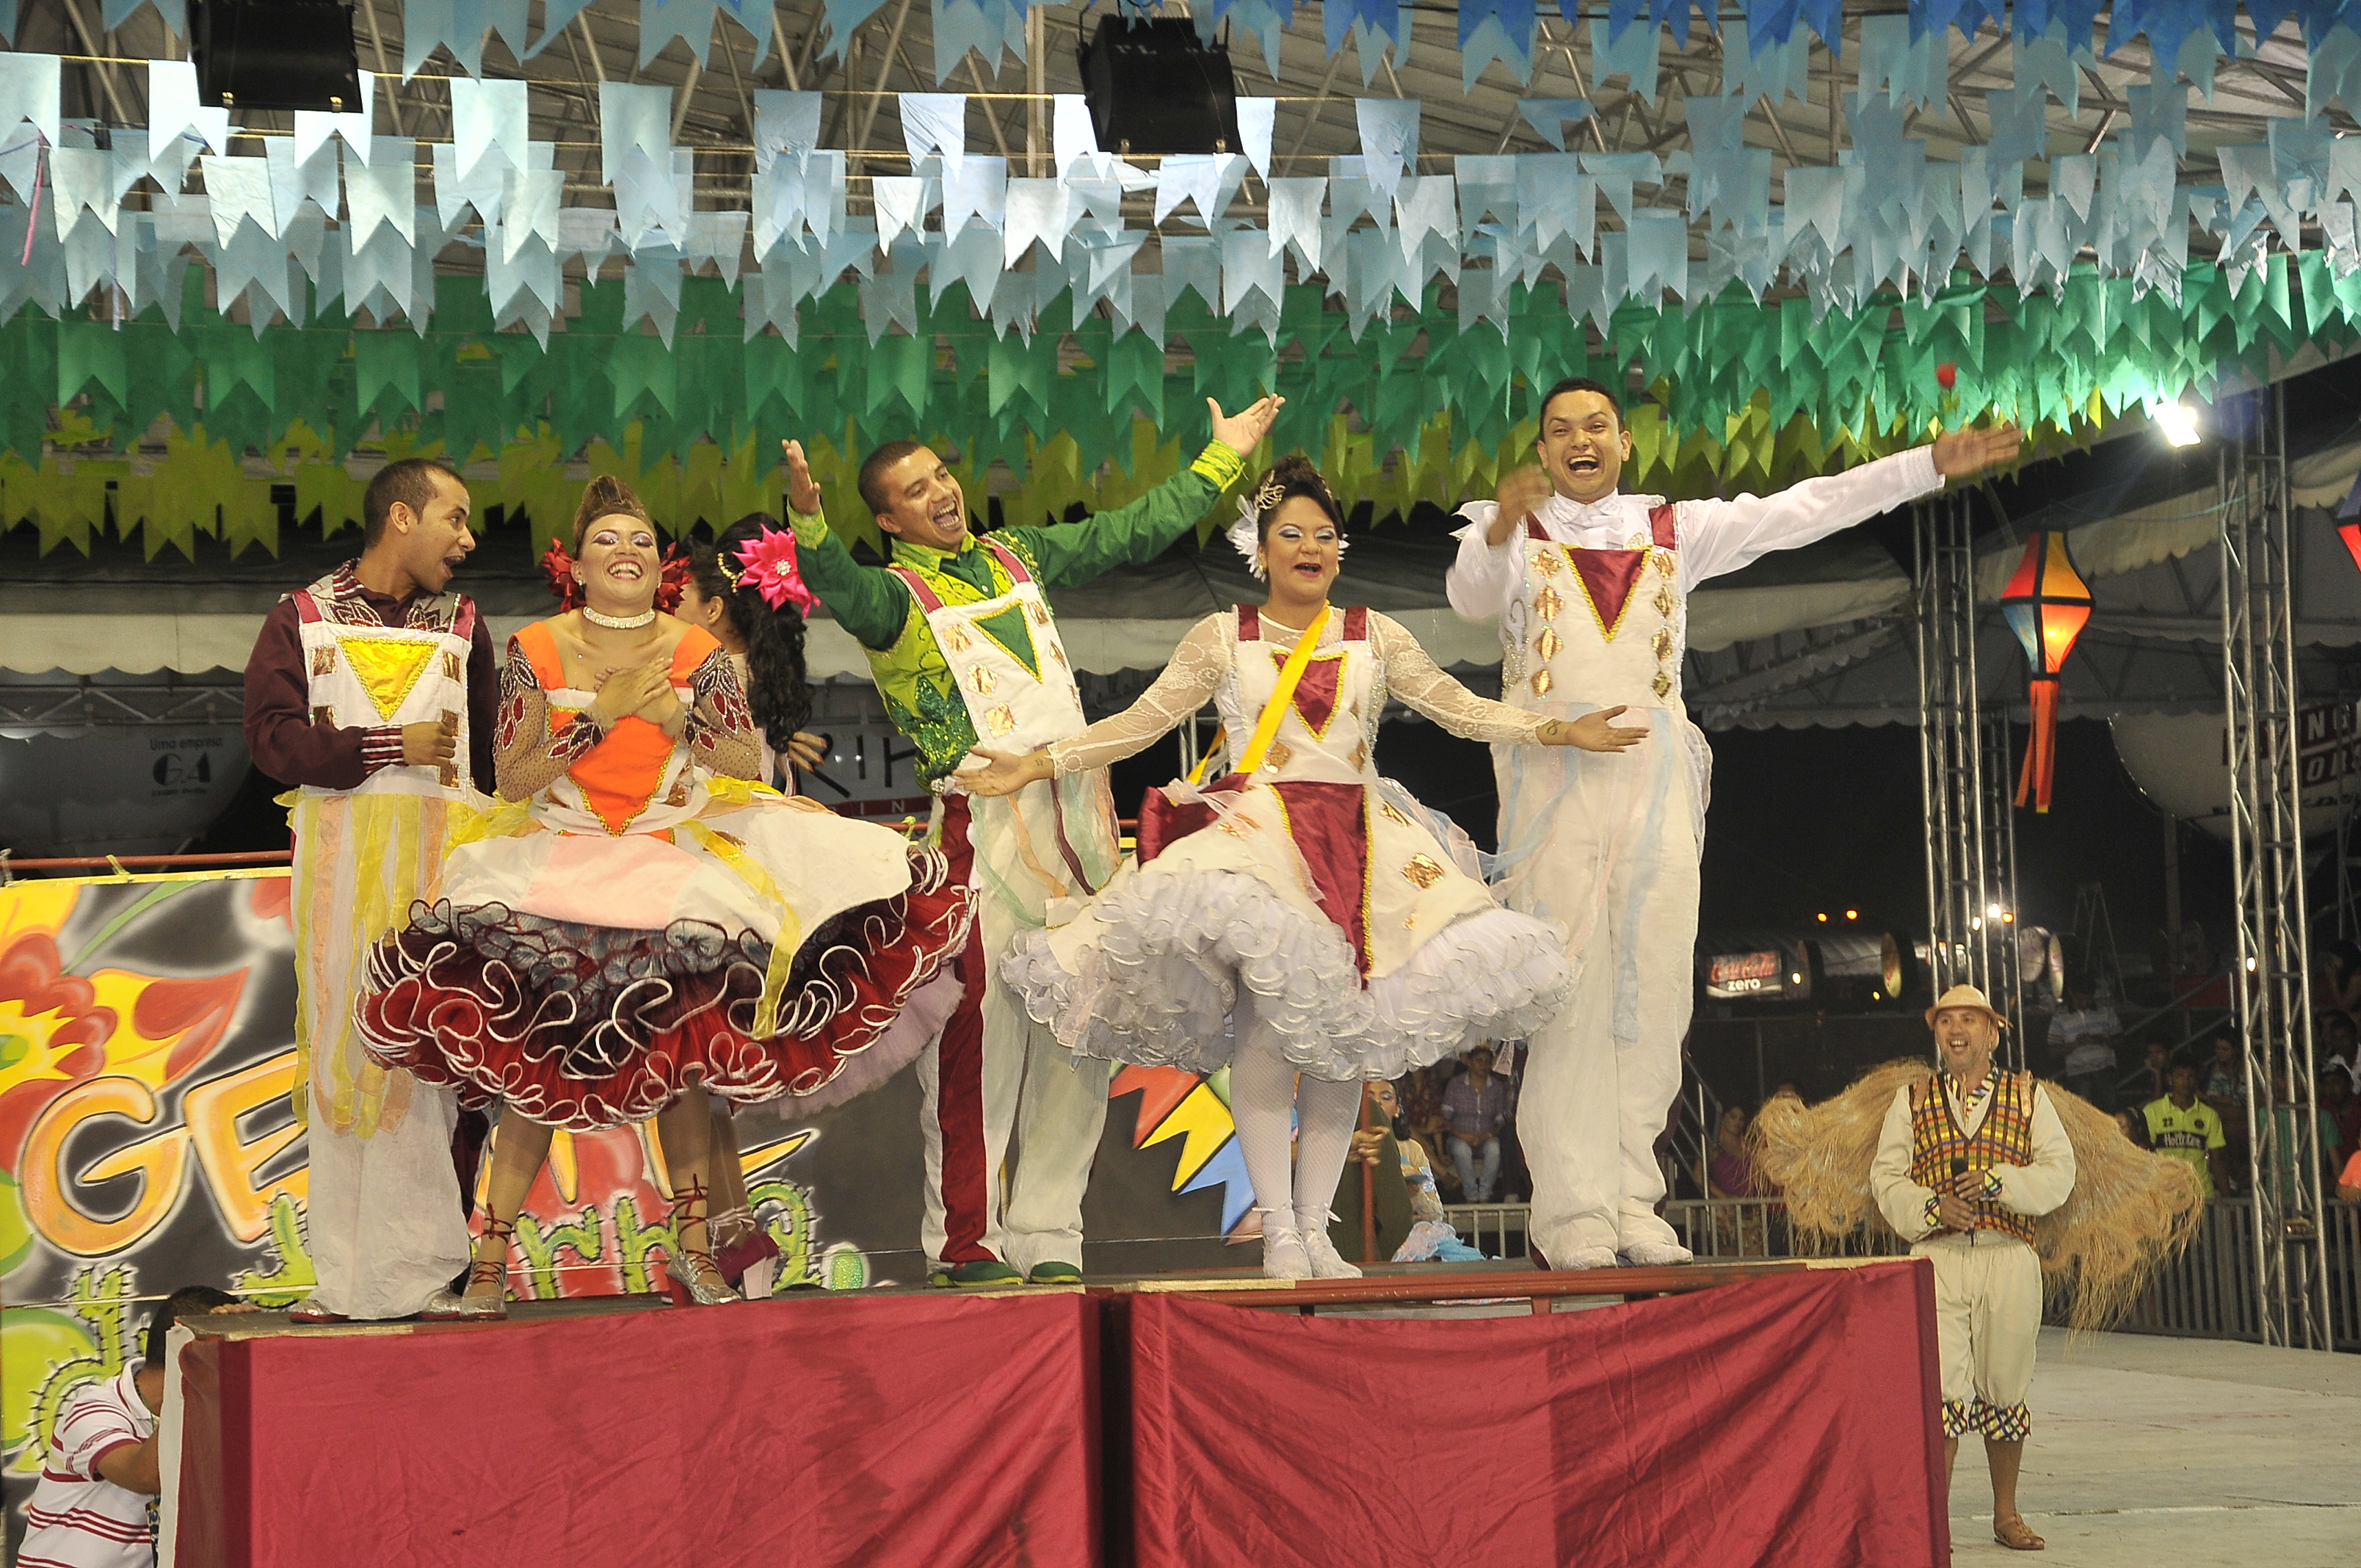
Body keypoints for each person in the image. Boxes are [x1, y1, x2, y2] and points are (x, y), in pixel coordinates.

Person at [965, 454, 1642, 1279]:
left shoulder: (1376, 634)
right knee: (1265, 1035)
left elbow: (1457, 707)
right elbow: (1142, 723)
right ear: (1262, 548)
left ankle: (1317, 1229)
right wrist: (1038, 764)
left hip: (1365, 843)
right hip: (1263, 838)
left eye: (1324, 534)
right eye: (1291, 533)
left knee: (1343, 1046)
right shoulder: (1223, 637)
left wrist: (1557, 731)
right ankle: (1279, 1230)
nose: (1310, 547)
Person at [357, 477, 974, 1316]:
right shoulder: (537, 644)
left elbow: (736, 766)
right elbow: (512, 776)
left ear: (662, 564)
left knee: (685, 1062)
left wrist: (685, 724)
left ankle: (697, 1254)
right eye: (607, 538)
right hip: (558, 862)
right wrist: (599, 719)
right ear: (576, 561)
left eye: (642, 541)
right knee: (534, 1068)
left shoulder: (697, 651)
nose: (626, 551)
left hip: (669, 862)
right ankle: (492, 1263)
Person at [1446, 374, 2024, 1268]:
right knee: (1568, 996)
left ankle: (1634, 1201)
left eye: (1596, 424)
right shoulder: (1514, 529)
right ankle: (1571, 1216)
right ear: (1543, 449)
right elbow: (1472, 600)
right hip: (1555, 779)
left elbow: (1806, 508)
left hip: (1656, 780)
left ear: (1624, 441)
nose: (1579, 440)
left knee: (1657, 991)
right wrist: (1496, 527)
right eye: (1560, 431)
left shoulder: (1678, 530)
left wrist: (1924, 467)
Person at [777, 395, 1283, 1287]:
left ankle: (1050, 1235)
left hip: (1082, 818)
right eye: (914, 490)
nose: (940, 493)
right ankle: (966, 1244)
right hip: (984, 835)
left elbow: (1130, 529)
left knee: (1084, 1034)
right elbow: (844, 594)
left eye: (942, 475)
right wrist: (811, 527)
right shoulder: (895, 600)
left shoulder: (1023, 555)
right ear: (888, 519)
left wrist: (1223, 458)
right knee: (982, 1046)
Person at [240, 457, 496, 1323]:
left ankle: (429, 1274)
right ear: (401, 516)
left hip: (448, 878)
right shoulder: (301, 618)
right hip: (342, 874)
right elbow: (272, 742)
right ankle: (349, 1282)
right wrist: (391, 746)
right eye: (455, 519)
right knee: (350, 1063)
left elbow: (496, 757)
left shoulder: (464, 622)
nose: (468, 539)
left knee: (437, 1069)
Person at [676, 515, 836, 1295]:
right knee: (698, 1079)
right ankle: (736, 1246)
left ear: (712, 609)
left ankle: (727, 1248)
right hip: (742, 889)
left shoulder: (704, 680)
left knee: (687, 1075)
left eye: (679, 593)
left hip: (701, 881)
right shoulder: (753, 678)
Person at [1868, 986, 2075, 1554]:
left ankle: (2006, 1515)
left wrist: (1999, 1183)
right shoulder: (1912, 1098)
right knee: (1940, 1390)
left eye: (1969, 1020)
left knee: (2005, 1385)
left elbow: (2061, 1171)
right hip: (1938, 1259)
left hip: (2008, 1257)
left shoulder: (2028, 1094)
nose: (1956, 1030)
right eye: (1945, 1021)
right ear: (1936, 1033)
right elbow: (1887, 1178)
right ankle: (1933, 1521)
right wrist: (1933, 1209)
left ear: (1993, 1032)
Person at [18, 1287, 252, 1568]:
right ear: (183, 1351)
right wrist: (205, 1364)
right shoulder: (93, 1410)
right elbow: (147, 1475)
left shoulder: (213, 1417)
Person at [2144, 1062, 2230, 1200]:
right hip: (2165, 1194)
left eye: (2190, 1077)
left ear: (2197, 1080)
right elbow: (2145, 1154)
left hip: (2201, 1194)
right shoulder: (2153, 1111)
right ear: (2170, 1079)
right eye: (2180, 1076)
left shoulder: (2209, 1114)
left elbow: (2217, 1159)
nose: (2185, 1082)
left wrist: (2227, 1198)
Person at [1440, 1045, 1512, 1202]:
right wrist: (1462, 1135)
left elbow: (1501, 1119)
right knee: (1461, 1149)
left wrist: (1489, 1135)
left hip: (1486, 1138)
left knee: (1494, 1149)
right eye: (1479, 1060)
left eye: (1487, 1061)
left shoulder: (1497, 1087)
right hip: (1459, 1137)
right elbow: (1445, 1118)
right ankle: (1471, 1196)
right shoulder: (1456, 1084)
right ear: (1470, 1063)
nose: (1483, 1065)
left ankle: (1485, 1195)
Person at [2047, 984, 2122, 1111]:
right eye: (2080, 999)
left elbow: (2121, 1042)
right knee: (2082, 1114)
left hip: (2104, 1071)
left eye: (2088, 998)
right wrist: (2074, 1045)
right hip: (2077, 1074)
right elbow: (2053, 1052)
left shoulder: (2106, 1013)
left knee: (2108, 1113)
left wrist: (2101, 1040)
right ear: (2072, 994)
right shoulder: (2060, 1018)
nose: (2084, 1002)